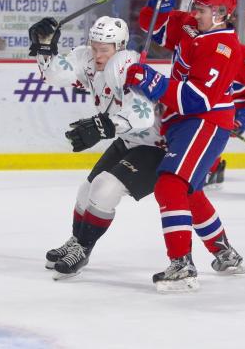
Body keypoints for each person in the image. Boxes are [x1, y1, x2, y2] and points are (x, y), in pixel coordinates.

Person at [125, 0, 245, 291]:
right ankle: (224, 253)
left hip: (205, 121)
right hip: (182, 122)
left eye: (205, 10)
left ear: (222, 13)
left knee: (170, 185)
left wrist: (152, 82)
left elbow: (197, 100)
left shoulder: (223, 48)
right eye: (196, 7)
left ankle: (181, 264)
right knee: (189, 191)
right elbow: (154, 27)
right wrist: (159, 2)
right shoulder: (195, 26)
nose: (196, 14)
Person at [28, 16, 165, 279]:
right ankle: (77, 239)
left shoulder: (129, 69)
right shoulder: (89, 60)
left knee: (104, 189)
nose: (98, 54)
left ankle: (83, 248)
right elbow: (53, 75)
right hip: (128, 140)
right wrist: (45, 47)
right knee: (86, 191)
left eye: (105, 49)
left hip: (154, 147)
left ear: (120, 46)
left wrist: (105, 127)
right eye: (94, 46)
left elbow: (144, 116)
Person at [205, 44, 245, 186]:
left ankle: (212, 169)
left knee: (214, 134)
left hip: (233, 105)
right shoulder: (204, 47)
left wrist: (242, 120)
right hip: (208, 98)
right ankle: (211, 168)